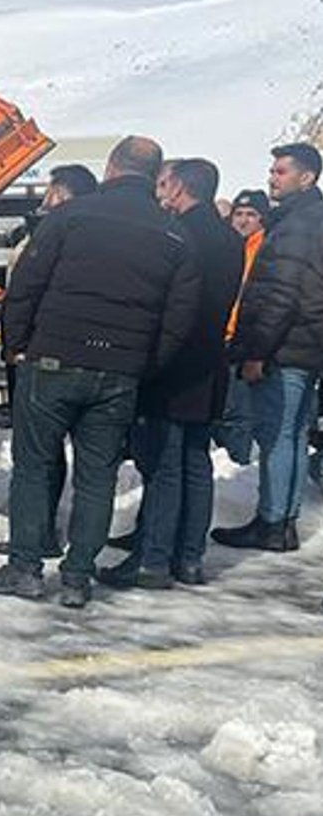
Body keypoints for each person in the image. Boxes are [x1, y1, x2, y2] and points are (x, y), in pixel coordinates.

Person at [0, 136, 201, 608]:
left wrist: (16, 345)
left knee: (34, 467)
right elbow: (179, 318)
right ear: (155, 176)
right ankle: (78, 576)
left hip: (53, 359)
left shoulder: (68, 217)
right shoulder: (175, 235)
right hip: (120, 370)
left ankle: (25, 568)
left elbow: (27, 286)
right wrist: (144, 363)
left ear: (112, 167)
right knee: (97, 477)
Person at [99, 158, 245, 588]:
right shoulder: (231, 238)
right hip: (209, 362)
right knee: (196, 462)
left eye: (164, 185)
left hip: (172, 362)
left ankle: (153, 559)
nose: (160, 193)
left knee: (163, 462)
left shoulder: (176, 234)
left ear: (179, 188)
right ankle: (190, 557)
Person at [212, 143, 323, 551]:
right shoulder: (308, 218)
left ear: (306, 177)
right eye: (272, 170)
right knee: (292, 434)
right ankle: (282, 521)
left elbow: (282, 294)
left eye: (280, 172)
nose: (272, 178)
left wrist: (257, 351)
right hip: (304, 345)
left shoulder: (297, 225)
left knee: (277, 435)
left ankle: (273, 521)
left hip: (284, 347)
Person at [0, 163, 101, 558]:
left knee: (38, 453)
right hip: (60, 351)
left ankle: (36, 537)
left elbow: (26, 292)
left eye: (52, 190)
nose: (45, 197)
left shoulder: (57, 233)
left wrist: (16, 343)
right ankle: (52, 537)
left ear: (65, 194)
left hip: (40, 353)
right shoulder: (83, 233)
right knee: (60, 455)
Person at [211, 188, 271, 465]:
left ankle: (238, 463)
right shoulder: (229, 246)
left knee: (238, 410)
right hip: (221, 334)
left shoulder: (266, 248)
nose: (243, 220)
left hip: (245, 339)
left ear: (262, 219)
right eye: (239, 214)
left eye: (251, 214)